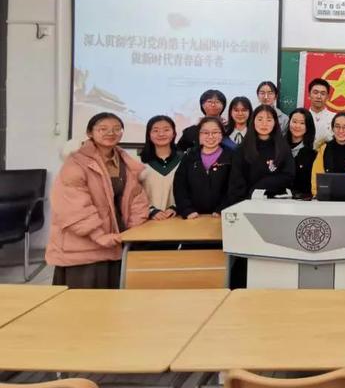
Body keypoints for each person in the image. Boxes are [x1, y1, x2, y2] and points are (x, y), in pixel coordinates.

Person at [46, 113, 150, 288]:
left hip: (116, 238)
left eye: (116, 129)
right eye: (103, 129)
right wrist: (99, 235)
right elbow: (73, 206)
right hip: (84, 244)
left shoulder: (125, 162)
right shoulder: (76, 163)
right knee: (84, 298)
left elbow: (137, 198)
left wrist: (132, 231)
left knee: (114, 296)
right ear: (90, 133)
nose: (111, 133)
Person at [228, 105, 295, 203]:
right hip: (247, 202)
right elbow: (236, 181)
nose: (264, 124)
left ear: (275, 123)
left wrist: (260, 186)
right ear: (253, 121)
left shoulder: (283, 147)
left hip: (276, 202)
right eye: (260, 119)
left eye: (269, 120)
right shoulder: (242, 149)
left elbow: (288, 175)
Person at [173, 116, 233, 218]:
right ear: (199, 135)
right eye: (205, 133)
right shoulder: (189, 156)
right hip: (192, 217)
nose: (210, 136)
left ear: (222, 134)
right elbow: (180, 187)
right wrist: (187, 210)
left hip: (223, 216)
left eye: (215, 132)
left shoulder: (231, 157)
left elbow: (235, 187)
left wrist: (222, 210)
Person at [139, 115, 183, 221]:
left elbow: (191, 190)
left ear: (174, 133)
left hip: (178, 218)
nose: (161, 134)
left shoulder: (185, 160)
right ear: (149, 135)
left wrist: (176, 207)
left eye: (166, 130)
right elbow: (133, 194)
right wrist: (151, 210)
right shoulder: (138, 162)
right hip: (147, 220)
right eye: (155, 130)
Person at [285, 108, 317, 199]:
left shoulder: (313, 153)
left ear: (308, 126)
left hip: (303, 201)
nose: (297, 126)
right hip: (277, 200)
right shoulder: (280, 147)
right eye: (294, 121)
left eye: (302, 123)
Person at [307, 78, 335, 147]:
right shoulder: (302, 117)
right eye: (315, 92)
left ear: (327, 97)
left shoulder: (335, 118)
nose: (319, 96)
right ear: (309, 95)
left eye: (323, 93)